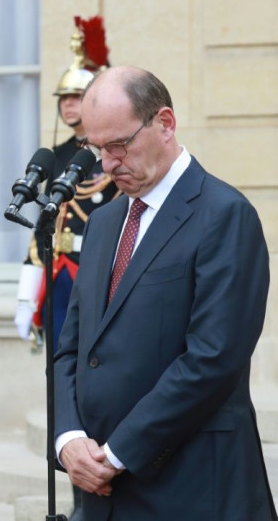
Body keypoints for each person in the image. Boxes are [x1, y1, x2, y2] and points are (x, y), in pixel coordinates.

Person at [53, 65, 276, 520]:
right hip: (99, 492)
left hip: (190, 488)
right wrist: (69, 439)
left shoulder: (225, 214)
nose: (108, 164)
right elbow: (72, 350)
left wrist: (116, 455)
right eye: (98, 148)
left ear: (165, 123)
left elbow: (213, 359)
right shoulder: (103, 223)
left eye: (119, 145)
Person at [13, 16, 119, 521]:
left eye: (78, 97)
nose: (69, 106)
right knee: (64, 378)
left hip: (106, 280)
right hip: (62, 280)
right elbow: (41, 226)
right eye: (65, 99)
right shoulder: (53, 159)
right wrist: (25, 288)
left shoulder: (113, 156)